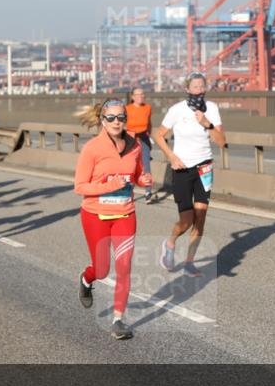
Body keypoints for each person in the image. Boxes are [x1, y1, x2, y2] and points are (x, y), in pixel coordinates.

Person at [73, 98, 152, 341]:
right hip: (95, 214)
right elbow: (80, 187)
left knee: (125, 267)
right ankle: (87, 279)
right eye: (111, 118)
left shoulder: (135, 145)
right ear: (102, 121)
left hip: (125, 214)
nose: (117, 122)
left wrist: (143, 181)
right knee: (102, 269)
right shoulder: (93, 148)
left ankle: (118, 320)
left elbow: (136, 175)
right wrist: (109, 186)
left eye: (121, 118)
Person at [153, 73, 225, 278]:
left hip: (204, 167)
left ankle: (189, 262)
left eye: (202, 86)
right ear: (188, 89)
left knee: (200, 216)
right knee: (186, 220)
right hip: (182, 168)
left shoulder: (211, 108)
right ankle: (170, 243)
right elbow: (158, 136)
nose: (199, 90)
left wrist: (207, 124)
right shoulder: (177, 110)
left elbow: (221, 141)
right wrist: (171, 157)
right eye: (195, 87)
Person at [125, 87, 154, 203]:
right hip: (131, 138)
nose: (141, 96)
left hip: (143, 138)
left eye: (142, 94)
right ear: (132, 97)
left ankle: (148, 192)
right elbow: (122, 124)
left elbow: (149, 124)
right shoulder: (126, 109)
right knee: (131, 166)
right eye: (137, 95)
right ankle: (129, 191)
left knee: (146, 165)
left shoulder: (148, 108)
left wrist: (149, 136)